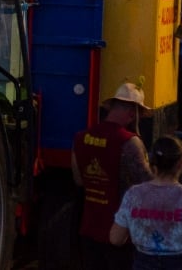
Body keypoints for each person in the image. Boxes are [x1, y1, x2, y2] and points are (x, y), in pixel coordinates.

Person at [72, 83, 153, 268]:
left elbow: (79, 180)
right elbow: (148, 186)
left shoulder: (80, 138)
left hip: (89, 230)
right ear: (132, 113)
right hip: (120, 234)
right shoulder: (130, 142)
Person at [110, 135, 182, 269]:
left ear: (151, 162)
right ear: (181, 163)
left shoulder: (133, 195)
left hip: (143, 262)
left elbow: (115, 238)